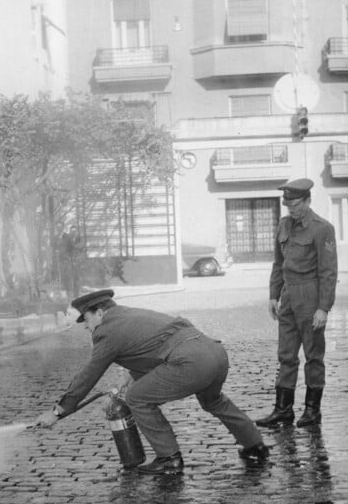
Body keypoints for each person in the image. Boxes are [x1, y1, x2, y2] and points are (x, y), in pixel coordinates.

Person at [34, 288, 269, 474]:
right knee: (213, 401)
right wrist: (128, 377)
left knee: (137, 398)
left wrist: (58, 412)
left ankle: (169, 458)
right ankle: (254, 444)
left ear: (100, 313)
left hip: (190, 363)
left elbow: (88, 374)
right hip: (215, 353)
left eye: (86, 319)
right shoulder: (130, 314)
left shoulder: (106, 330)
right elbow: (152, 349)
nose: (86, 326)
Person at [256, 178, 337, 429]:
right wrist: (273, 295)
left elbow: (328, 271)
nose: (292, 210)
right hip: (289, 296)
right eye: (289, 205)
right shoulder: (284, 225)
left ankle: (312, 411)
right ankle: (283, 410)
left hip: (311, 296)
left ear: (308, 200)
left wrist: (323, 307)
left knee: (313, 356)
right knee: (286, 355)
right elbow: (278, 264)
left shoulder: (322, 228)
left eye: (297, 205)